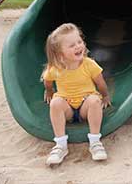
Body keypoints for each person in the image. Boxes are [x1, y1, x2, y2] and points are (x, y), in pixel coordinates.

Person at [42, 23, 111, 165]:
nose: (78, 46)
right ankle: (60, 145)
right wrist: (49, 91)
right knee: (56, 102)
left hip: (85, 107)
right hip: (67, 108)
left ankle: (95, 142)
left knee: (94, 100)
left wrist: (105, 96)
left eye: (80, 42)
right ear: (60, 53)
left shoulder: (89, 64)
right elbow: (47, 80)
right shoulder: (55, 68)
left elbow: (100, 83)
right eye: (72, 45)